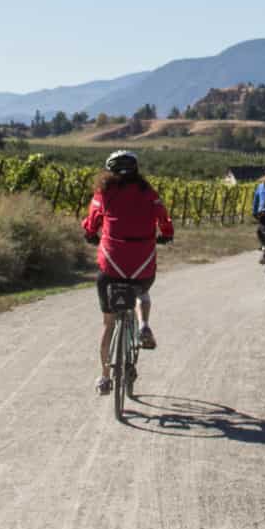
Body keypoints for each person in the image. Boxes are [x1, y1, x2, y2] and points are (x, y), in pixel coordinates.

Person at [82, 150, 174, 394]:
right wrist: (166, 234)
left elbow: (92, 219)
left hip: (111, 263)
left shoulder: (105, 193)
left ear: (109, 171)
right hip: (142, 262)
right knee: (141, 291)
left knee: (108, 323)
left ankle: (104, 377)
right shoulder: (149, 194)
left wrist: (90, 232)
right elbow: (164, 218)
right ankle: (143, 324)